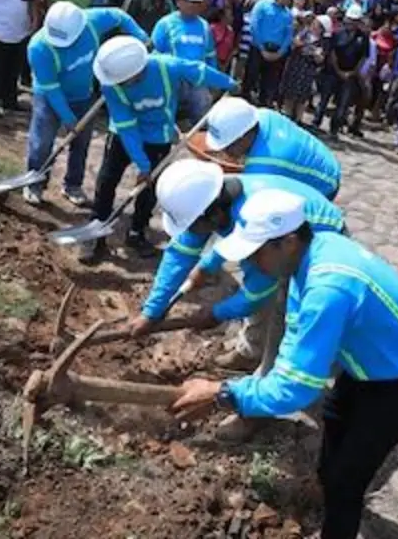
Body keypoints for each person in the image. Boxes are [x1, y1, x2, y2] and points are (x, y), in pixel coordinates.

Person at [170, 189, 398, 539]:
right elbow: (296, 355)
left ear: (288, 241)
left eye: (256, 252)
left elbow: (294, 389)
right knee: (334, 427)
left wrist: (221, 392)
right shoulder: (311, 254)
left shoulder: (328, 287)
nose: (250, 263)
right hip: (366, 366)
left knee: (347, 480)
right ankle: (326, 497)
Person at [131, 160, 346, 431]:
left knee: (286, 318)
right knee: (266, 297)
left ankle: (260, 406)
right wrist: (152, 311)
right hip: (279, 237)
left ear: (213, 215)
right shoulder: (210, 198)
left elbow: (258, 292)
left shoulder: (251, 219)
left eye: (194, 226)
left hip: (314, 239)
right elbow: (180, 254)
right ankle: (251, 351)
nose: (192, 233)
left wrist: (216, 313)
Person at [85, 37, 237, 262]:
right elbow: (127, 127)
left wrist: (228, 83)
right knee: (107, 180)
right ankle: (96, 233)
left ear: (138, 70)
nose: (121, 84)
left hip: (159, 136)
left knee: (150, 188)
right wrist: (142, 164)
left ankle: (137, 232)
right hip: (123, 136)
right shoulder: (111, 85)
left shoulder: (167, 67)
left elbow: (199, 71)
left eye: (126, 80)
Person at [24, 3, 149, 205]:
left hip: (83, 96)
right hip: (49, 98)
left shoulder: (92, 21)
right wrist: (67, 117)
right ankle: (35, 183)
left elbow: (120, 16)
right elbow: (52, 88)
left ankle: (72, 185)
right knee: (42, 142)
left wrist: (140, 36)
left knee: (81, 144)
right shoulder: (39, 48)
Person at [202, 96, 342, 199]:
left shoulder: (264, 165)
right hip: (325, 159)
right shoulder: (262, 114)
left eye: (228, 146)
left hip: (325, 184)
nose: (225, 152)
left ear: (243, 136)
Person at [152, 0, 217, 124]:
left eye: (196, 2)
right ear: (178, 1)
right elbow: (154, 54)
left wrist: (213, 81)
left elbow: (210, 56)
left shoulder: (204, 26)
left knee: (202, 119)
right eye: (189, 1)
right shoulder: (165, 24)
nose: (192, 6)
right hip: (171, 79)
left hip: (197, 80)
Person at [314, 4, 370, 137]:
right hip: (333, 72)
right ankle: (316, 123)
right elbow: (333, 53)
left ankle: (334, 129)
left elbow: (363, 57)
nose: (352, 23)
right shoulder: (338, 33)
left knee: (342, 104)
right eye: (350, 20)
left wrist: (352, 72)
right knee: (324, 99)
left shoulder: (363, 37)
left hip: (350, 75)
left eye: (355, 20)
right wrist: (338, 70)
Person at [245, 0, 297, 106]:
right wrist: (262, 48)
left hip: (276, 52)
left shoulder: (288, 14)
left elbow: (288, 35)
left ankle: (262, 106)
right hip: (258, 49)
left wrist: (280, 53)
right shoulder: (262, 5)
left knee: (268, 84)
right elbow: (254, 26)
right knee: (250, 78)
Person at [280, 12, 324, 121]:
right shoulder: (304, 33)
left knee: (301, 100)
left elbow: (320, 59)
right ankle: (286, 118)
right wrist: (308, 48)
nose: (314, 26)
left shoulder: (322, 42)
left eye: (318, 25)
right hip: (295, 68)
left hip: (307, 74)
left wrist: (313, 53)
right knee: (289, 97)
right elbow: (296, 42)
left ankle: (297, 121)